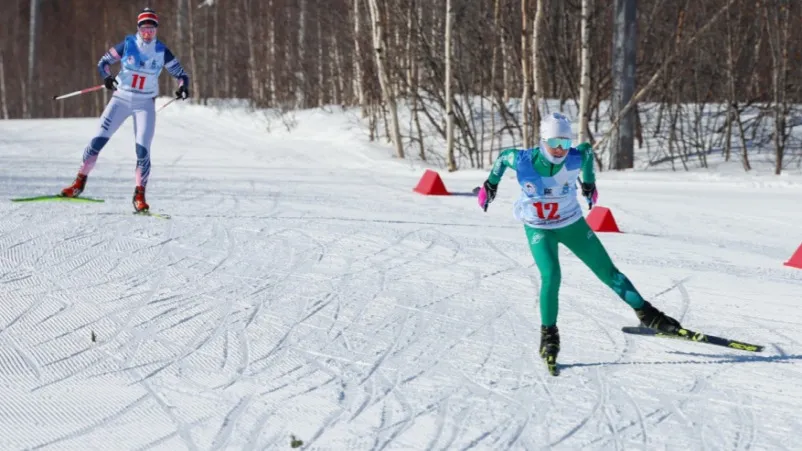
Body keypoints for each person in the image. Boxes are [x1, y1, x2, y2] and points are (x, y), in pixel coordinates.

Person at [477, 112, 681, 370]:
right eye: (555, 143)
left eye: (565, 143)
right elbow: (502, 157)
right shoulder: (523, 160)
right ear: (543, 141)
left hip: (571, 223)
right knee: (551, 276)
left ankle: (649, 315)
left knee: (608, 273)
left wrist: (589, 183)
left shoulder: (575, 156)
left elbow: (586, 151)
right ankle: (548, 335)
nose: (561, 150)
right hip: (539, 228)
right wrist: (490, 185)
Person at [60, 7, 190, 212]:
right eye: (144, 29)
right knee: (96, 142)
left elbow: (181, 74)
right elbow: (103, 63)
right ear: (138, 29)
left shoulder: (162, 51)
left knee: (143, 150)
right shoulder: (127, 44)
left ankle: (139, 195)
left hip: (145, 104)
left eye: (152, 29)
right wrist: (107, 78)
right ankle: (78, 184)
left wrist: (183, 87)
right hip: (120, 99)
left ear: (156, 30)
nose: (148, 33)